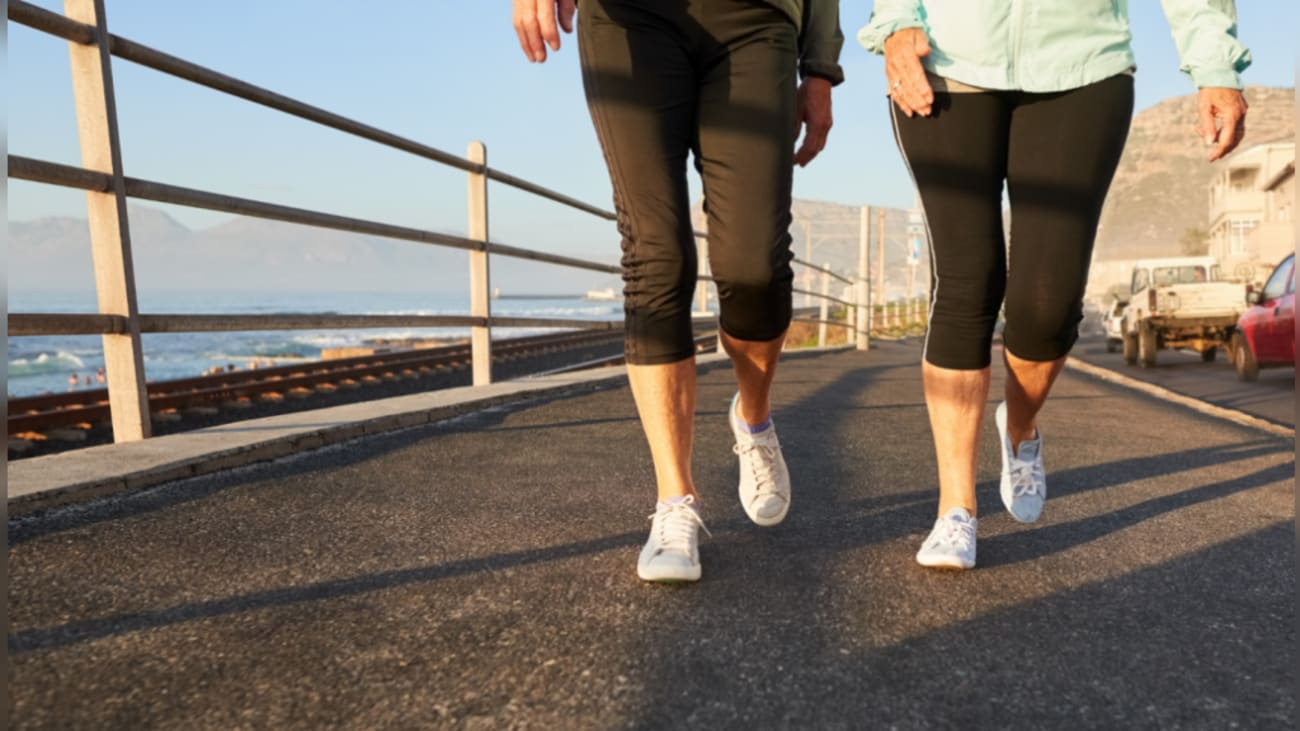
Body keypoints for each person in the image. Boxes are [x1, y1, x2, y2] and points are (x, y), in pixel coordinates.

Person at [860, 1, 1250, 569]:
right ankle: (955, 509)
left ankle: (1019, 428)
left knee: (1047, 305)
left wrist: (1215, 65)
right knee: (968, 281)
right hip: (947, 57)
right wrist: (896, 24)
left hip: (1083, 66)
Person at [513, 0, 844, 582]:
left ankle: (755, 419)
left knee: (755, 267)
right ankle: (675, 501)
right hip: (629, 17)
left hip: (757, 20)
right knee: (655, 253)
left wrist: (819, 67)